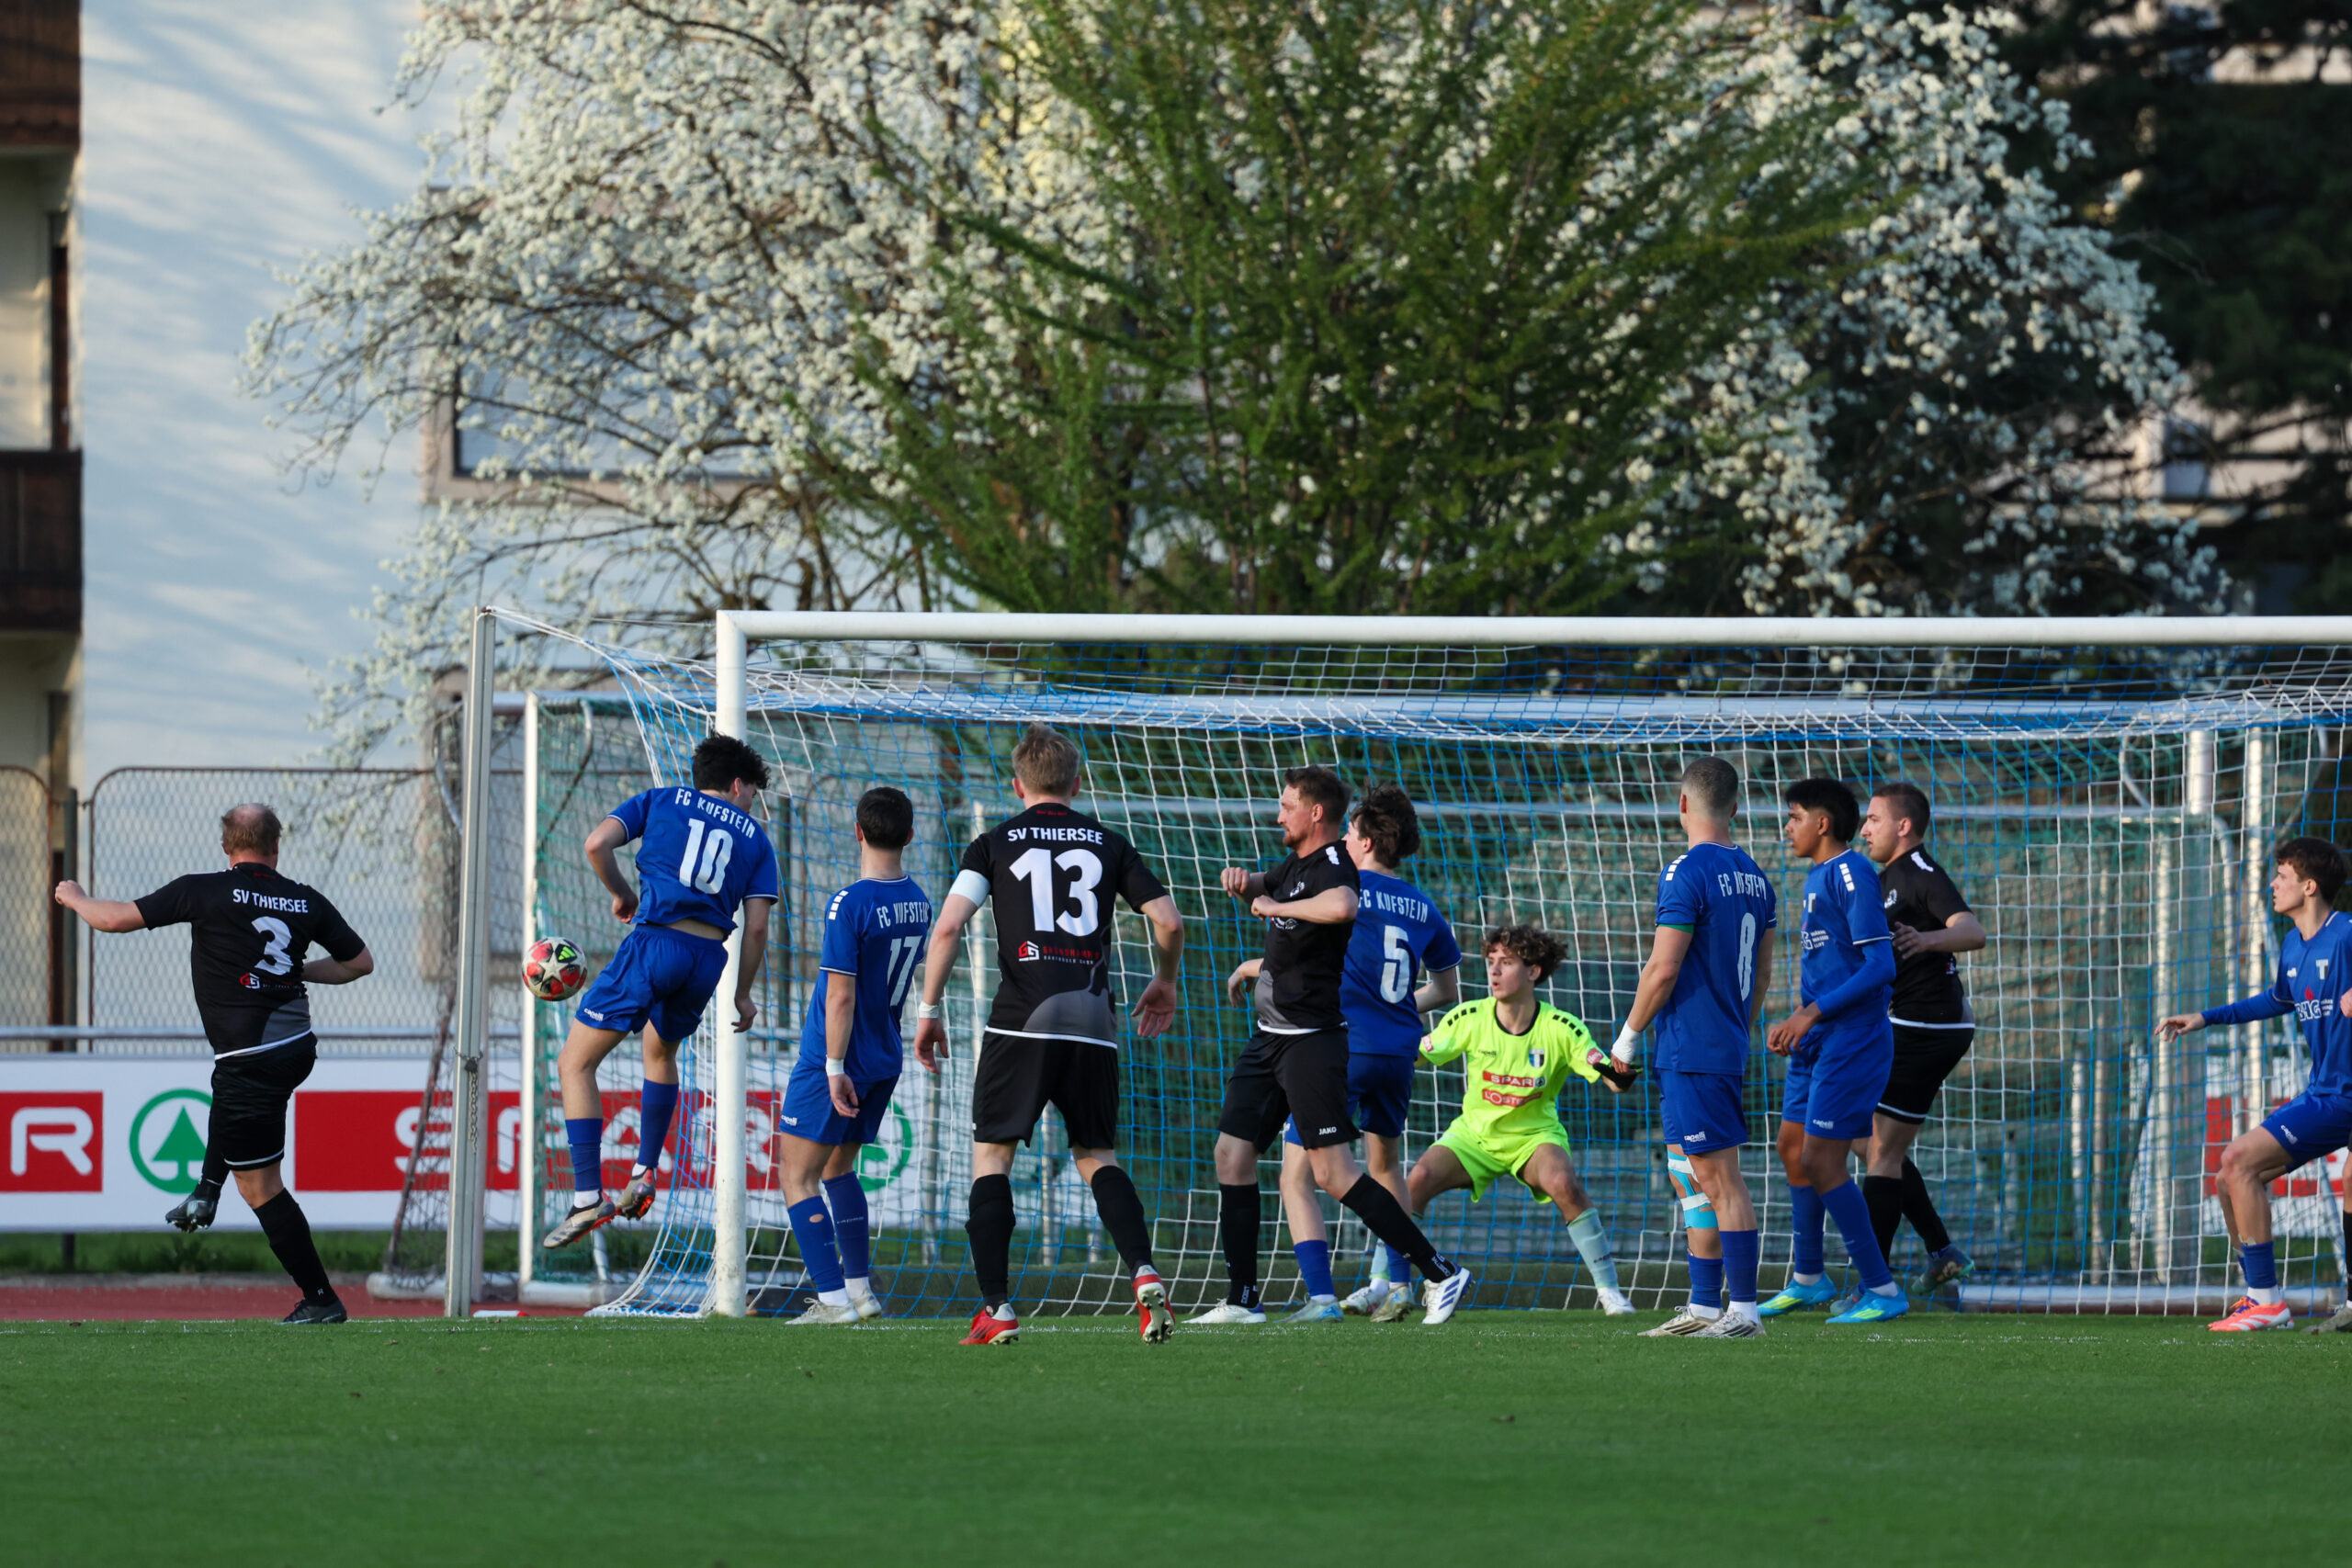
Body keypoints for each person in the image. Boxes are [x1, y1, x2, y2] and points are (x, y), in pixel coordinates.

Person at [913, 725, 1185, 1348]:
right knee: (1097, 1156)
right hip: (1093, 1023)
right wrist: (1165, 980)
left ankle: (997, 1307)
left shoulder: (994, 843)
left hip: (1021, 1020)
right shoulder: (1109, 843)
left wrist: (929, 1009)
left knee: (992, 1158)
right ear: (1076, 783)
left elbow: (949, 927)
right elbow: (1168, 921)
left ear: (1017, 785)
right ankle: (1144, 1271)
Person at [55, 804, 375, 1324]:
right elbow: (359, 963)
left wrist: (74, 896)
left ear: (226, 847)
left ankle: (320, 1299)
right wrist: (297, 971)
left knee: (261, 1186)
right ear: (276, 847)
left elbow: (111, 920)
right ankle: (207, 1191)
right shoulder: (306, 899)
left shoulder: (203, 890)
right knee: (231, 1096)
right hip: (294, 1045)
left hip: (254, 1054)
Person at [1196, 766, 1473, 1326]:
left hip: (1323, 1043)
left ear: (1353, 835)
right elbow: (1444, 990)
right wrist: (1246, 885)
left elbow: (1341, 922)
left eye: (1287, 805)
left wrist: (1269, 924)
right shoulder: (1404, 899)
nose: (1278, 814)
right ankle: (1256, 1298)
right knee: (1239, 1154)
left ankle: (1421, 1275)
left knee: (1320, 1175)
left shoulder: (1344, 877)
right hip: (1344, 1043)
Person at [542, 734, 778, 1249]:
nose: (751, 803)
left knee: (575, 1063)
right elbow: (757, 926)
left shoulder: (662, 799)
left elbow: (596, 844)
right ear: (738, 785)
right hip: (707, 959)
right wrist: (743, 994)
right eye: (752, 794)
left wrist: (622, 893)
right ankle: (644, 1171)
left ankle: (587, 1198)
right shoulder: (757, 839)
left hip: (655, 945)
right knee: (660, 1052)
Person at [1611, 757, 1777, 1339]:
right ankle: (1705, 1306)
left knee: (1719, 1178)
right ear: (1735, 807)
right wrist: (1736, 1029)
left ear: (1682, 804)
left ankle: (1745, 1312)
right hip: (1718, 1043)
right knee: (1692, 1179)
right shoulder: (1757, 878)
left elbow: (1663, 968)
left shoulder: (1685, 871)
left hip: (1692, 1048)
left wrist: (1626, 1039)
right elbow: (1762, 976)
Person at [2158, 837, 2352, 1332]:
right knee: (2229, 1179)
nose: (2273, 884)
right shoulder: (2293, 945)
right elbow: (2275, 1000)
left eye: (2282, 876)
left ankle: (2266, 1299)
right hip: (2327, 1091)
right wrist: (2206, 1017)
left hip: (2343, 1097)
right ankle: (2261, 1294)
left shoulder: (2346, 933)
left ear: (2309, 887)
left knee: (2238, 1160)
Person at [1409, 926, 1636, 1314]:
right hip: (1473, 1136)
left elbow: (1609, 1078)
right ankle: (1386, 1285)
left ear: (1533, 971)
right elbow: (1418, 1055)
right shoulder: (1468, 1017)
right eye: (1491, 962)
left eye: (1507, 963)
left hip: (1533, 1138)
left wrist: (1621, 1076)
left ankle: (1610, 1292)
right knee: (1415, 1181)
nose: (1494, 971)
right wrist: (1387, 1038)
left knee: (1564, 1183)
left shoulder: (1562, 1027)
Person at [775, 787, 933, 1326]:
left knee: (797, 1177)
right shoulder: (919, 900)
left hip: (837, 1056)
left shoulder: (850, 903)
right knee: (838, 1168)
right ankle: (860, 1293)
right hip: (884, 1053)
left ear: (858, 832)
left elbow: (840, 996)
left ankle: (833, 1300)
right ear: (910, 835)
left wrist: (833, 1067)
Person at [1755, 777, 1909, 1325]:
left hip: (1853, 1038)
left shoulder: (1852, 872)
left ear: (1822, 823)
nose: (1787, 827)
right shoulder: (1817, 877)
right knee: (1792, 1149)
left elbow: (1881, 966)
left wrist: (1811, 1013)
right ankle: (1809, 1278)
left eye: (1795, 816)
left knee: (1822, 1160)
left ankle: (1882, 1289)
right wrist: (1801, 1022)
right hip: (1818, 1037)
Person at [1856, 782, 1986, 1292]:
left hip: (1928, 1024)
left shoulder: (1920, 871)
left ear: (1903, 825)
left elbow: (1972, 931)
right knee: (1862, 1139)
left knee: (1880, 1150)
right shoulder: (1886, 879)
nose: (1865, 829)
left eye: (1874, 819)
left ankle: (1874, 1287)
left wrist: (1927, 939)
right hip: (1914, 1021)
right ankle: (1940, 1250)